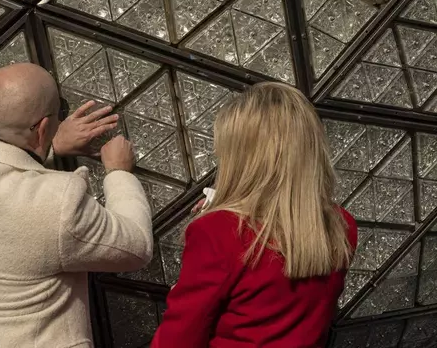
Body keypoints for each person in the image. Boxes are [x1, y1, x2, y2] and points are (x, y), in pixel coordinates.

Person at [0, 63, 153, 348]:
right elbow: (137, 245)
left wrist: (48, 146)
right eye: (61, 112)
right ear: (45, 126)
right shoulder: (58, 204)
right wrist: (119, 172)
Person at [151, 82, 358, 348]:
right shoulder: (343, 225)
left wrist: (220, 220)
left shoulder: (216, 232)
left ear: (241, 157)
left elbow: (177, 340)